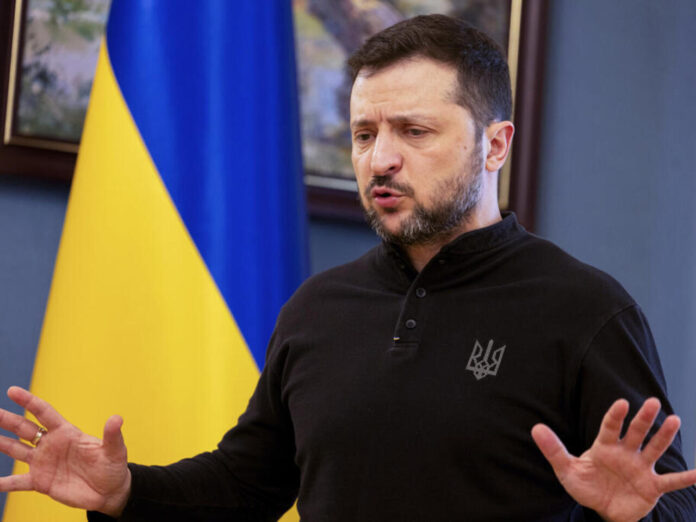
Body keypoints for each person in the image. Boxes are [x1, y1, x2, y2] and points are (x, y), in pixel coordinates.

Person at [1, 14, 695, 521]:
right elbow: (247, 485)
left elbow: (670, 499)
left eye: (414, 131)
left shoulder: (584, 309)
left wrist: (635, 517)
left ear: (495, 145)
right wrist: (125, 492)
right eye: (364, 134)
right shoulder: (317, 309)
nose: (379, 159)